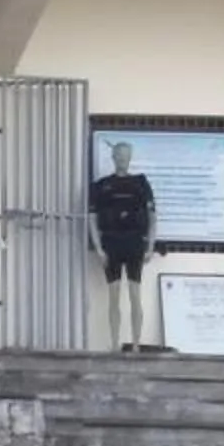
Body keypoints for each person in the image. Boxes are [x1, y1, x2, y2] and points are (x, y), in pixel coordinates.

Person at [89, 141, 157, 350]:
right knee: (113, 296)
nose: (122, 160)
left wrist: (150, 246)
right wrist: (99, 248)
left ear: (130, 158)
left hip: (135, 242)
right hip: (111, 243)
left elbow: (152, 216)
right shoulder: (101, 186)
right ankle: (114, 343)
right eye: (118, 156)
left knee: (135, 294)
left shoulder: (140, 183)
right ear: (113, 157)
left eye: (125, 156)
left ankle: (136, 344)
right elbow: (92, 218)